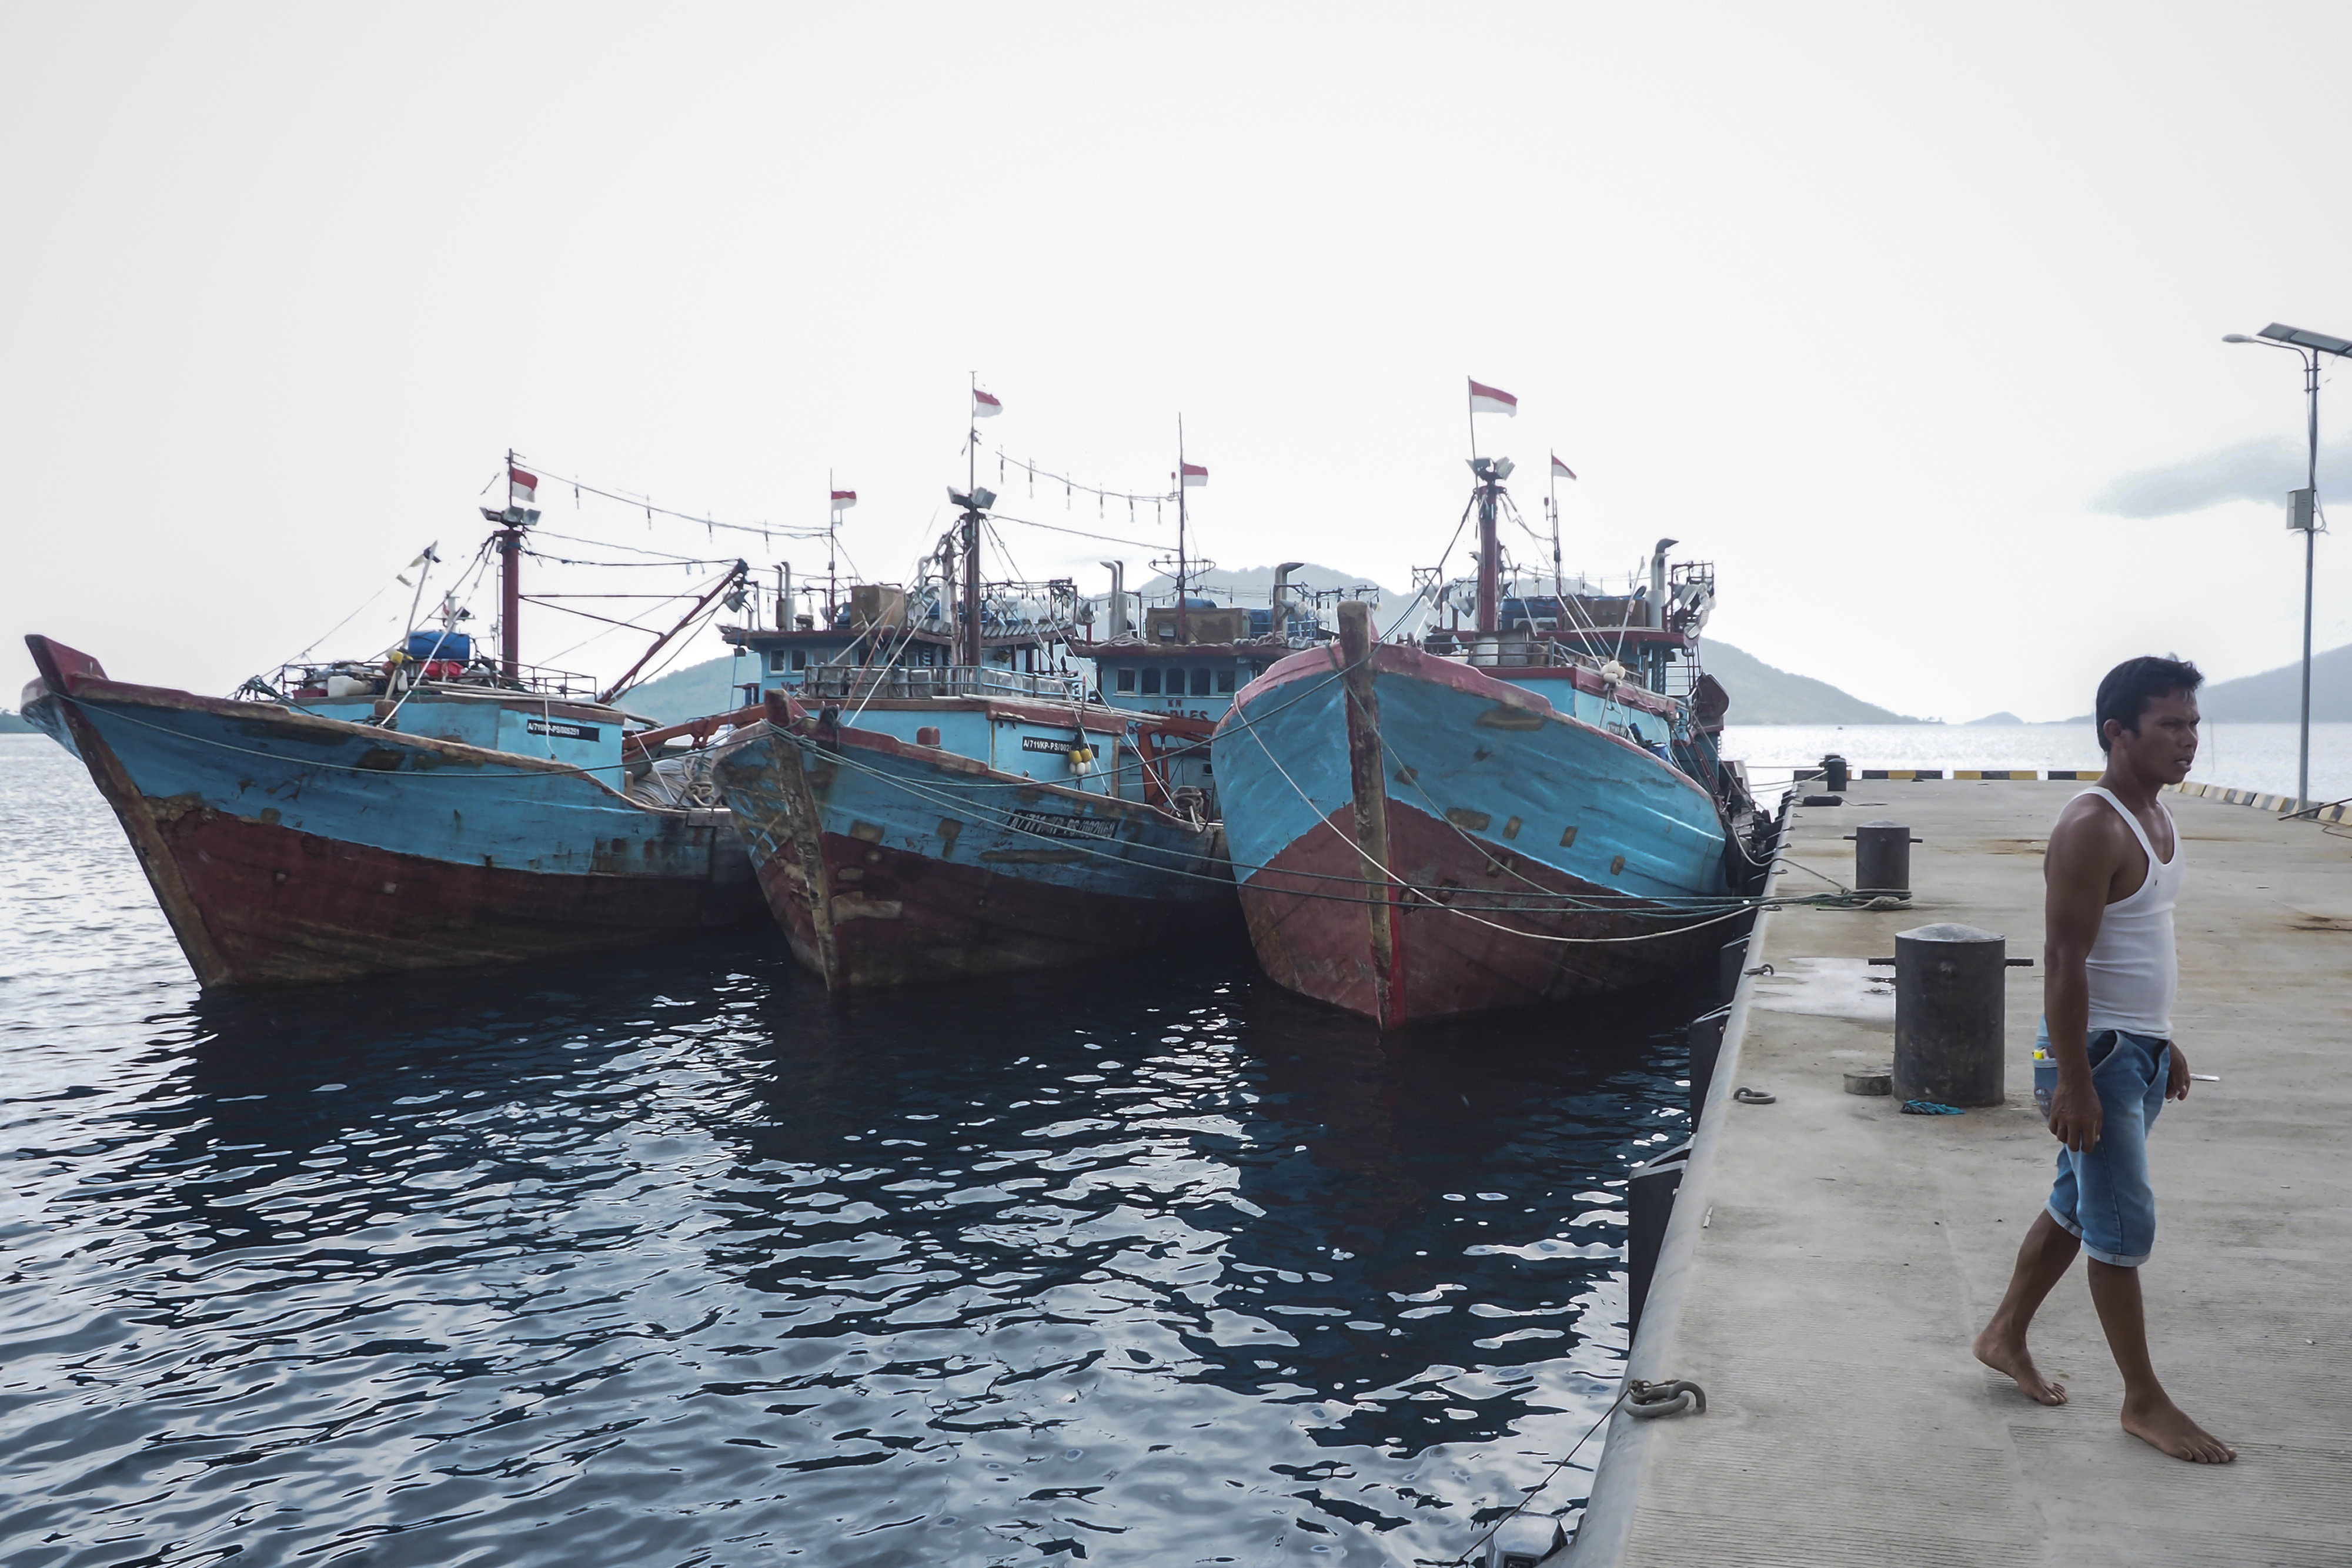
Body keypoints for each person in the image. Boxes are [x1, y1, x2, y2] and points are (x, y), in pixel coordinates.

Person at [1972, 656, 2235, 1463]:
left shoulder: (2156, 815)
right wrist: (2076, 1080)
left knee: (2077, 1206)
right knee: (2121, 1226)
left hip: (2134, 1048)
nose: (2189, 741)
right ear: (2118, 732)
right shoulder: (2094, 824)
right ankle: (2143, 1402)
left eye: (2193, 724)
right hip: (2096, 1058)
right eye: (2171, 726)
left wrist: (2164, 1040)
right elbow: (2063, 959)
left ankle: (2005, 1334)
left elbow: (2136, 943)